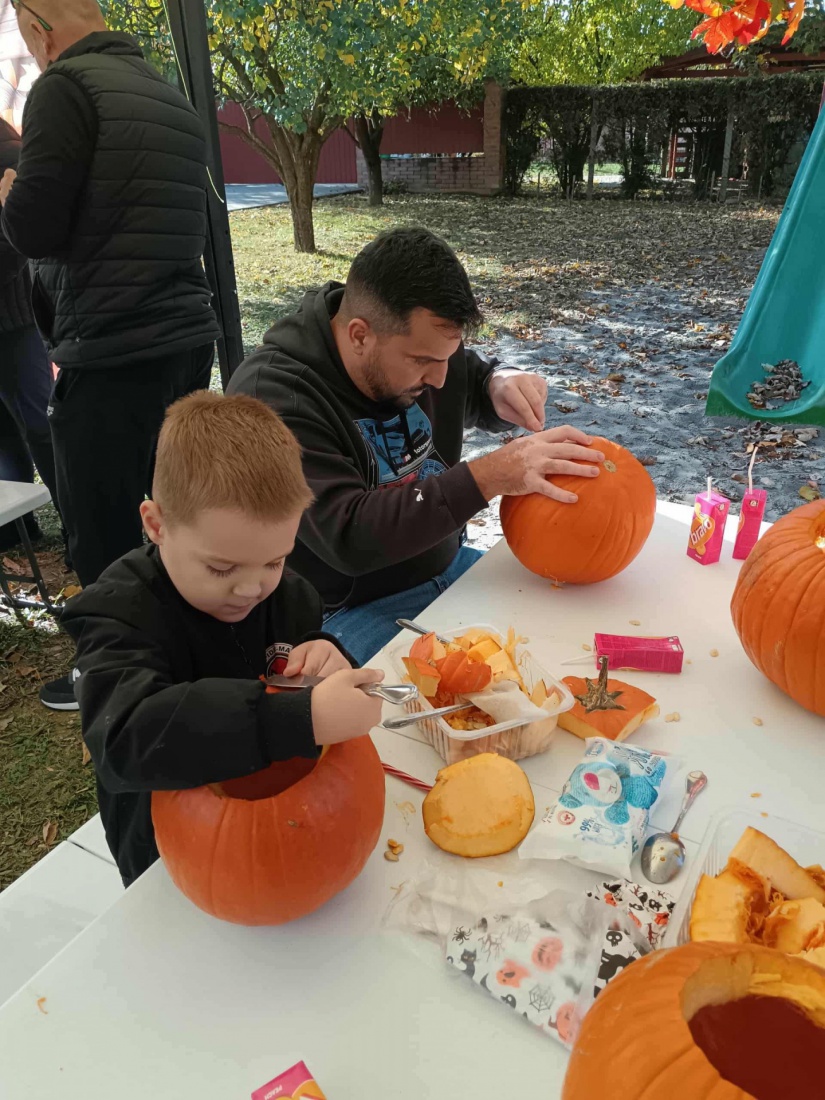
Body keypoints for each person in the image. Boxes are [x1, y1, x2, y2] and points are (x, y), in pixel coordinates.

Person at [228, 227, 604, 665]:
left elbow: (471, 379)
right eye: (424, 361)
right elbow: (348, 537)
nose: (440, 379)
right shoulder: (273, 398)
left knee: (565, 650)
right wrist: (489, 476)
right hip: (348, 610)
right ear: (359, 335)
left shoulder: (421, 349)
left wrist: (499, 382)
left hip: (449, 565)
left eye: (448, 356)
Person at [60, 392, 384, 887]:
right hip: (172, 853)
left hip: (293, 826)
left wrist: (325, 655)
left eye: (274, 560)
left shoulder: (290, 594)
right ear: (156, 525)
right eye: (220, 567)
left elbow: (298, 666)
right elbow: (124, 738)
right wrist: (295, 717)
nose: (252, 588)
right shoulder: (117, 614)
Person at [0, 0, 221, 709]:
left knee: (100, 528)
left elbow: (34, 227)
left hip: (114, 346)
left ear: (38, 28)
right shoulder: (166, 94)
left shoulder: (65, 88)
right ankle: (179, 650)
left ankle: (113, 678)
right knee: (170, 511)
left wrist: (9, 193)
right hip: (185, 340)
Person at [0, 116, 59, 551]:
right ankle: (16, 529)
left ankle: (80, 526)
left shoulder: (7, 151)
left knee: (43, 425)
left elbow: (20, 235)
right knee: (2, 431)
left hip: (14, 321)